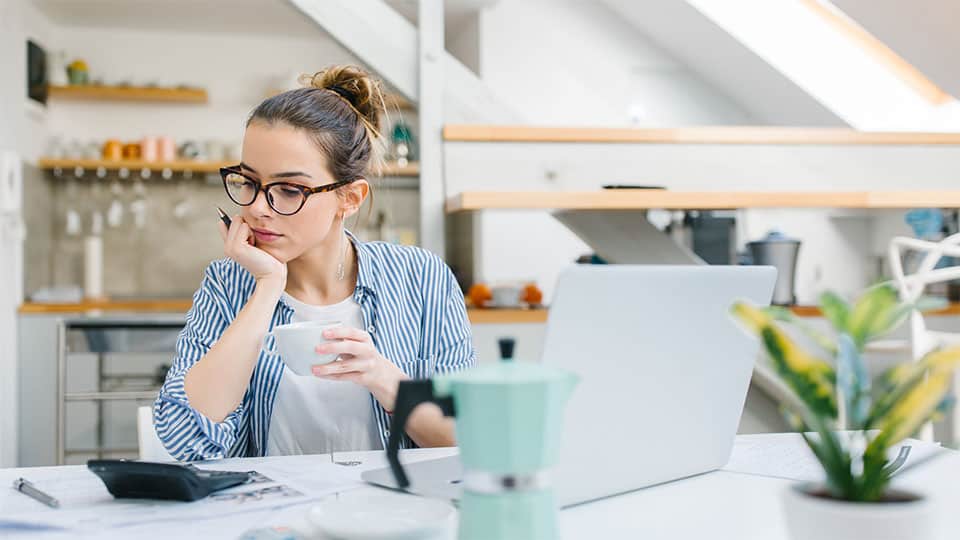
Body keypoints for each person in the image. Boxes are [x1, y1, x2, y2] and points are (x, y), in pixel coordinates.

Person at [154, 65, 476, 461]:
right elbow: (185, 440)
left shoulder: (421, 278)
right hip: (268, 514)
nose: (257, 209)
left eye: (289, 190)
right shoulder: (228, 282)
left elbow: (464, 440)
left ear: (350, 198)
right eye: (249, 182)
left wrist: (383, 377)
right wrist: (267, 287)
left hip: (391, 511)